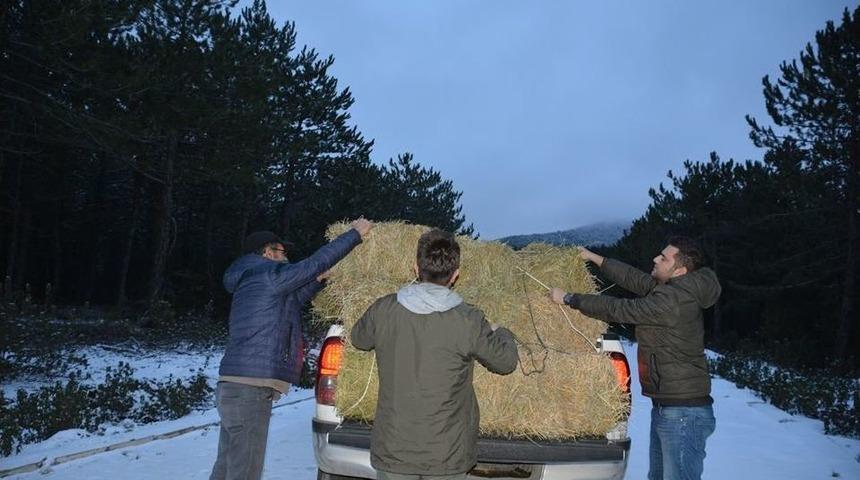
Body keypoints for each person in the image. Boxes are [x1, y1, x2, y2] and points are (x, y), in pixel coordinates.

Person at [210, 218, 373, 480]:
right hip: (249, 390)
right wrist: (353, 234)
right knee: (244, 471)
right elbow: (312, 264)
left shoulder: (253, 280)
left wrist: (318, 280)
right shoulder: (267, 274)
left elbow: (294, 299)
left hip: (234, 388)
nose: (286, 256)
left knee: (227, 466)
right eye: (282, 251)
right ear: (266, 252)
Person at [351, 228, 519, 480]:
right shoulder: (468, 319)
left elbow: (358, 339)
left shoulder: (384, 309)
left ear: (416, 269)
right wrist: (503, 332)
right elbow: (506, 363)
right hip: (447, 455)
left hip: (394, 451)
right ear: (455, 275)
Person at [549, 236, 721, 480]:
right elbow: (636, 279)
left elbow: (620, 309)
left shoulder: (672, 301)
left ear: (680, 270)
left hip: (683, 414)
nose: (655, 259)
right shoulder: (675, 289)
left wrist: (569, 298)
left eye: (663, 258)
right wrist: (594, 258)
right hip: (670, 407)